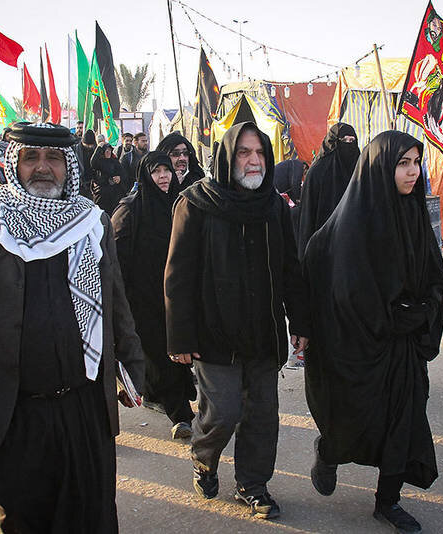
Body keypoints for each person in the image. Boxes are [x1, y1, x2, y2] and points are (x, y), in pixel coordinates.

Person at [0, 122, 145, 532]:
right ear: (15, 163)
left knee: (92, 517)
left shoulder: (92, 222)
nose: (42, 168)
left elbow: (116, 303)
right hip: (14, 410)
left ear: (69, 166)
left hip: (83, 407)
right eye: (31, 157)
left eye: (54, 158)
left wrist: (132, 367)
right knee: (24, 519)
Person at [303, 130, 443, 533]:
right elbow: (334, 281)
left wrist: (423, 311)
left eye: (416, 162)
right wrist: (383, 315)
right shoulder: (350, 225)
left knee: (403, 420)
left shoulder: (415, 213)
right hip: (358, 346)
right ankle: (329, 450)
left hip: (403, 346)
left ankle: (389, 501)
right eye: (403, 163)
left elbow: (436, 277)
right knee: (354, 419)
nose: (413, 171)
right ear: (380, 167)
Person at [164, 122, 309, 520]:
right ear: (228, 157)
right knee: (223, 411)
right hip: (213, 333)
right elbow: (178, 275)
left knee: (262, 416)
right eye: (244, 153)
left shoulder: (274, 206)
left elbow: (289, 268)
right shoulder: (196, 202)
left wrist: (300, 322)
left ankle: (254, 485)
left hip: (262, 332)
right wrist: (180, 336)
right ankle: (204, 457)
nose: (253, 161)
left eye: (260, 153)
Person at [112, 152, 196, 440]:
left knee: (178, 351)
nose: (163, 177)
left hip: (176, 296)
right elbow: (116, 259)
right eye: (156, 171)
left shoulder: (180, 205)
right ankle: (181, 415)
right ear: (145, 175)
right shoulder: (130, 210)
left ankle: (167, 398)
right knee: (161, 356)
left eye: (167, 171)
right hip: (144, 301)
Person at [297, 123, 360, 257]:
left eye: (352, 141)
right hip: (324, 246)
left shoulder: (359, 170)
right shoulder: (317, 172)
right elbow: (308, 215)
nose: (349, 145)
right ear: (333, 143)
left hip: (353, 244)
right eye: (344, 141)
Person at [90, 142, 130, 214]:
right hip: (102, 193)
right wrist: (99, 147)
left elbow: (123, 173)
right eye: (106, 151)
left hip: (115, 193)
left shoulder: (114, 161)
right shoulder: (99, 162)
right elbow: (93, 162)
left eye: (110, 151)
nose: (108, 152)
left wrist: (119, 178)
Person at [274, 159, 307, 239]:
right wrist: (299, 199)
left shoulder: (291, 167)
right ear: (305, 167)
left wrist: (297, 201)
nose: (303, 179)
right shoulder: (298, 165)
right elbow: (295, 184)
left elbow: (291, 190)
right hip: (274, 184)